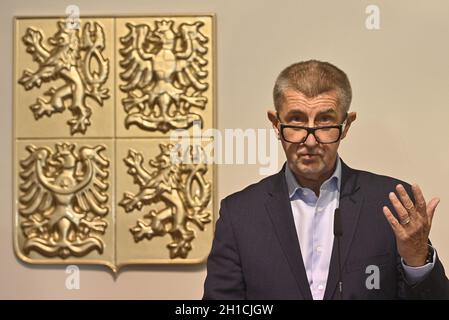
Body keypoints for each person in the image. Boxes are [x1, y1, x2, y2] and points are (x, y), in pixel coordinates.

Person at [203, 60, 449, 299]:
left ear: (346, 125)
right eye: (297, 120)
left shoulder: (391, 203)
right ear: (276, 124)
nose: (310, 141)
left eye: (324, 121)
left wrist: (417, 260)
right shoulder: (240, 213)